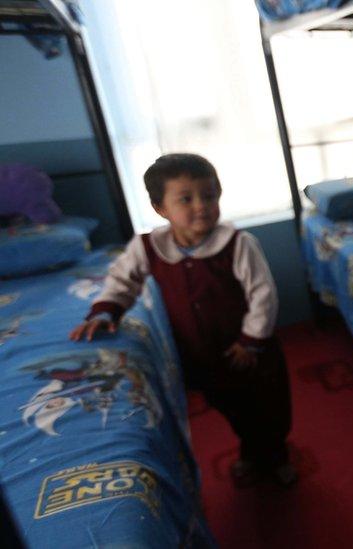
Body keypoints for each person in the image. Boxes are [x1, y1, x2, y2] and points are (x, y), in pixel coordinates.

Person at [69, 153, 296, 487]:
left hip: (251, 352)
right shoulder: (149, 246)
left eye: (209, 196)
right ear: (161, 208)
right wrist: (106, 310)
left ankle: (276, 455)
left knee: (269, 407)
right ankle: (250, 450)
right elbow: (122, 280)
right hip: (200, 355)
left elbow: (263, 294)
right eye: (186, 199)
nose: (201, 206)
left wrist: (252, 340)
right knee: (229, 406)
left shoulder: (237, 243)